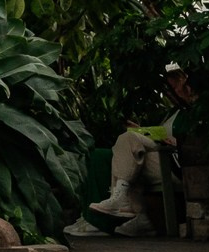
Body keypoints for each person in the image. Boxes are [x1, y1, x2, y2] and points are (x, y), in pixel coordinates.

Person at [76, 64, 199, 238]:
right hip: (161, 155)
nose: (176, 90)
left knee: (128, 140)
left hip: (175, 163)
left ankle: (122, 199)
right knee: (119, 146)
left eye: (178, 85)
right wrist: (142, 131)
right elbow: (159, 134)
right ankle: (141, 217)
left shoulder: (197, 111)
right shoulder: (173, 112)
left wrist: (174, 142)